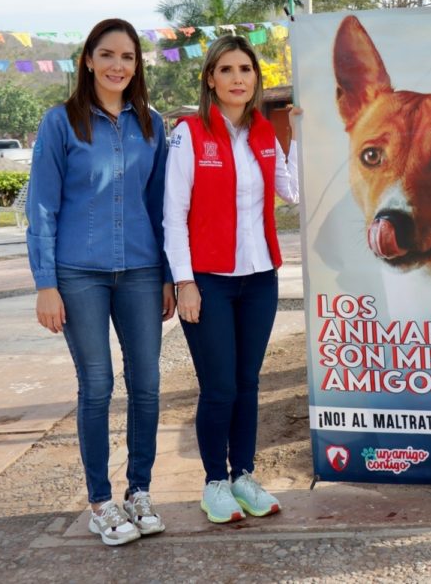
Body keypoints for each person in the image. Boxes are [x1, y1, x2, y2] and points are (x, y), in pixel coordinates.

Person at [26, 18, 175, 547]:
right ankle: (100, 502)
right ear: (87, 60)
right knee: (97, 386)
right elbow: (42, 205)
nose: (117, 65)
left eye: (128, 57)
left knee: (148, 385)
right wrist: (46, 282)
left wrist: (167, 276)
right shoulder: (61, 124)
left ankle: (140, 491)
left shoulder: (152, 124)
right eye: (107, 55)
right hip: (78, 273)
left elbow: (161, 208)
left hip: (140, 270)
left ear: (137, 66)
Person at [163, 35, 299, 524]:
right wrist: (185, 282)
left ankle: (244, 475)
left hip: (260, 278)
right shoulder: (190, 134)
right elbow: (173, 215)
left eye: (246, 69)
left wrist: (300, 136)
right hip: (210, 280)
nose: (238, 78)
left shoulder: (264, 132)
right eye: (227, 70)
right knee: (218, 387)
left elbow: (293, 192)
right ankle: (214, 483)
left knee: (247, 383)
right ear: (210, 78)